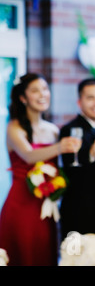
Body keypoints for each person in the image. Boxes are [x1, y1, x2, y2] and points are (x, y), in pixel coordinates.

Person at [0, 73, 80, 266]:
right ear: (23, 98)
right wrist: (60, 146)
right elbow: (28, 156)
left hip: (46, 205)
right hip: (21, 205)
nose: (43, 94)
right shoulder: (14, 127)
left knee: (44, 255)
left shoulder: (52, 129)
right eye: (35, 90)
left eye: (45, 89)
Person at [59, 78, 95, 239]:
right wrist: (91, 152)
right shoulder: (69, 130)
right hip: (78, 211)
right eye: (90, 98)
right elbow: (70, 168)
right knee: (75, 259)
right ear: (79, 102)